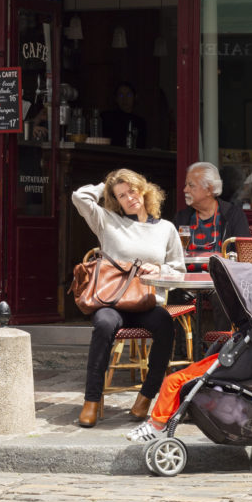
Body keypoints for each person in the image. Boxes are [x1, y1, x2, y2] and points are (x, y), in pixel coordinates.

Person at [71, 167, 184, 428]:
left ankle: (146, 397)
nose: (129, 198)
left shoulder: (166, 228)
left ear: (144, 191)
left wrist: (159, 269)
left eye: (132, 191)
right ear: (115, 200)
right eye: (121, 195)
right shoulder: (106, 220)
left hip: (147, 302)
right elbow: (79, 197)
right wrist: (107, 185)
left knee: (166, 324)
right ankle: (91, 401)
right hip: (112, 301)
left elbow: (178, 270)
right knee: (103, 324)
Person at [174, 162, 250, 255]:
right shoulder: (182, 217)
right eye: (186, 185)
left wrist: (221, 257)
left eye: (191, 185)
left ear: (209, 190)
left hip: (221, 265)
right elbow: (172, 254)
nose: (185, 190)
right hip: (189, 265)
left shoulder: (233, 215)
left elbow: (244, 254)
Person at [100, 82, 147, 149]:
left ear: (135, 97)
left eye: (129, 95)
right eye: (121, 95)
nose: (125, 99)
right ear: (116, 98)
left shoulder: (140, 123)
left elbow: (141, 147)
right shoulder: (107, 117)